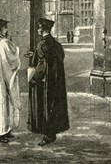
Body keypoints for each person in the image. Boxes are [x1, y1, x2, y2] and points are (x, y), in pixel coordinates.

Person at [27, 17, 70, 146]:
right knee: (53, 106)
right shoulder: (56, 44)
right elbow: (56, 60)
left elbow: (42, 64)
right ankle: (51, 133)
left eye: (39, 27)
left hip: (44, 81)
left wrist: (35, 77)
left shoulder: (42, 44)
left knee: (44, 107)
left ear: (43, 29)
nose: (38, 30)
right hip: (55, 81)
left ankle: (48, 135)